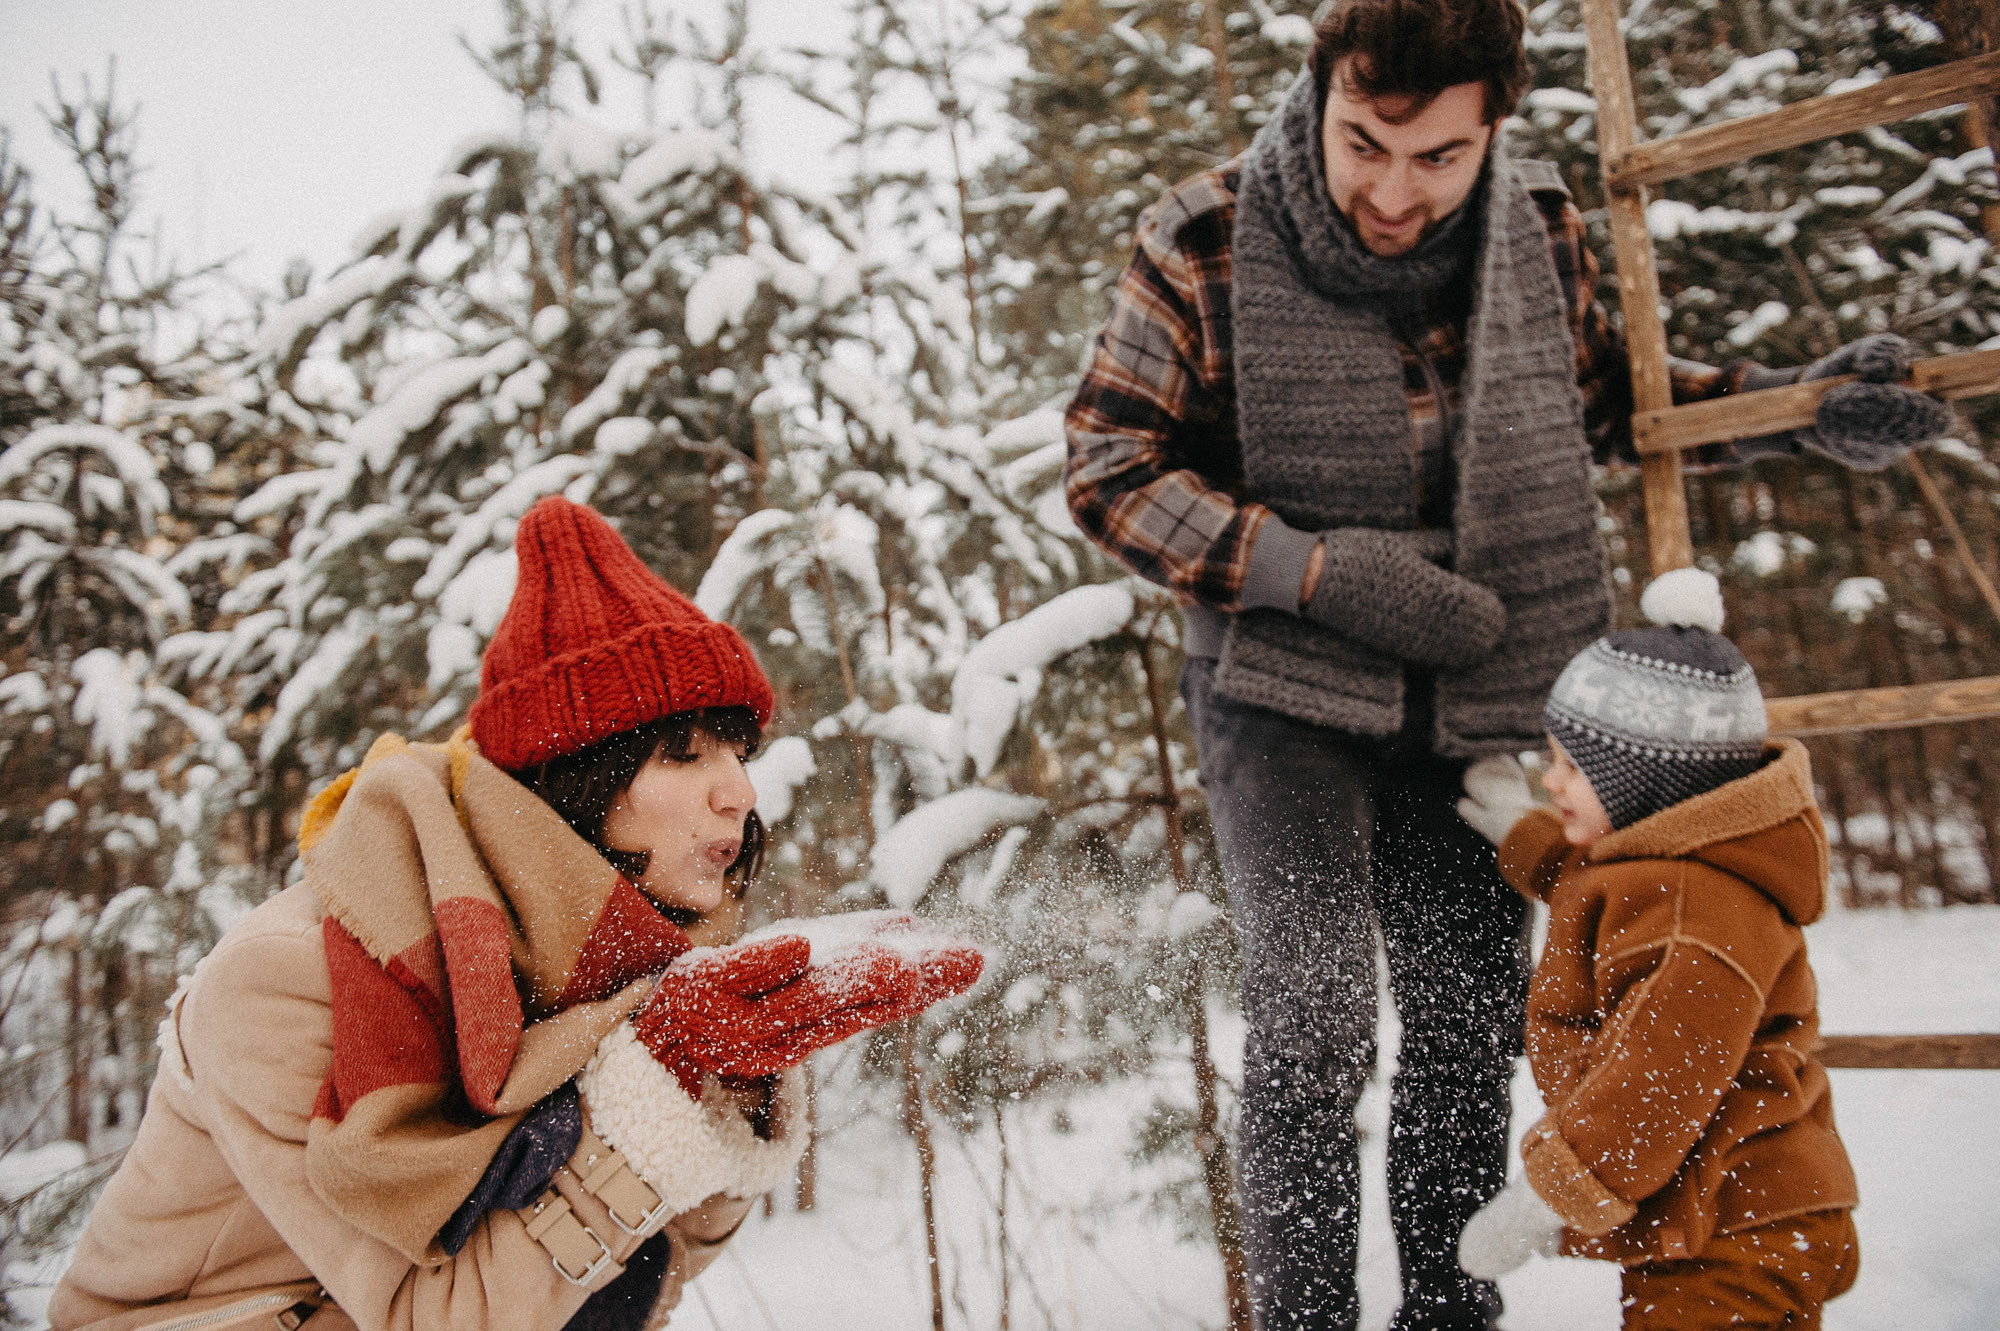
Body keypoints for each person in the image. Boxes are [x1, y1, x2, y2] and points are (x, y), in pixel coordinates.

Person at [1061, 0, 1946, 1325]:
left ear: (1494, 128)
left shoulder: (1532, 228)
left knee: (1468, 1021)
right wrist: (1319, 571)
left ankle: (1448, 1314)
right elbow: (1108, 468)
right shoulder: (1205, 234)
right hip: (1283, 684)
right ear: (1321, 90)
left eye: (1438, 156)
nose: (1392, 192)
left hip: (1483, 681)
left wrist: (1797, 410)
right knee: (1313, 1012)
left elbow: (1609, 396)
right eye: (1364, 145)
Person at [50, 496, 982, 1331]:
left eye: (738, 752)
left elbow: (644, 1271)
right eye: (684, 754)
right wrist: (657, 1077)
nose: (738, 791)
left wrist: (726, 1079)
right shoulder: (288, 981)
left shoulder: (611, 961)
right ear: (579, 774)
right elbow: (443, 1317)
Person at [1454, 568, 1859, 1330]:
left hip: (1738, 1230)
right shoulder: (1677, 872)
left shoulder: (1700, 921)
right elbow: (1602, 885)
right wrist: (1524, 829)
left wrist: (1543, 1198)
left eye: (1574, 767)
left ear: (1647, 786)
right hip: (1725, 1215)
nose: (1552, 780)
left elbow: (1654, 1080)